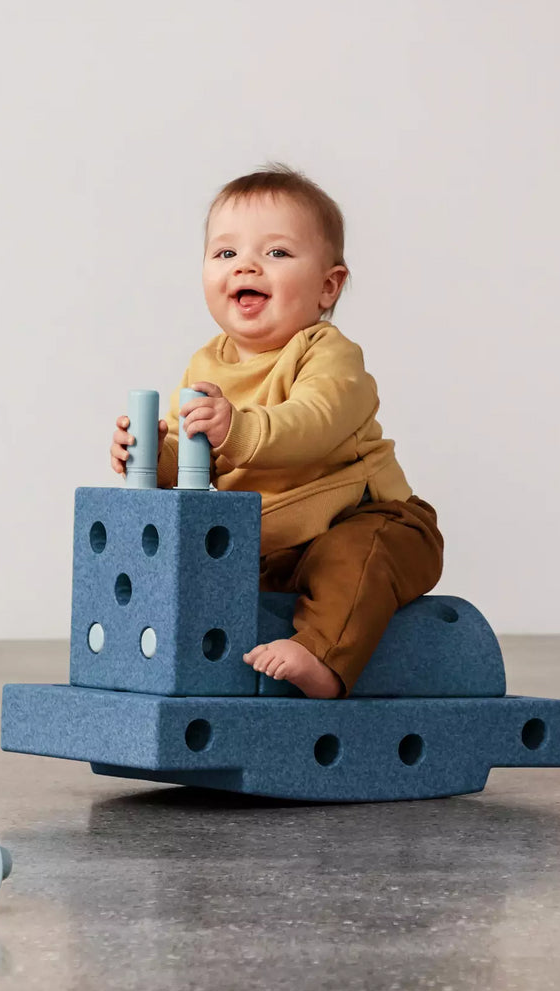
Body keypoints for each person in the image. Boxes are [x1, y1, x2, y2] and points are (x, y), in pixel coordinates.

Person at [109, 164, 443, 698]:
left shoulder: (329, 353)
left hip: (367, 518)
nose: (246, 266)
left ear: (327, 287)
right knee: (200, 563)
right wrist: (149, 454)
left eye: (277, 253)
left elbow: (313, 423)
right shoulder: (205, 365)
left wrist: (237, 430)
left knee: (353, 557)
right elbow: (197, 458)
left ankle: (324, 662)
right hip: (271, 545)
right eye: (225, 254)